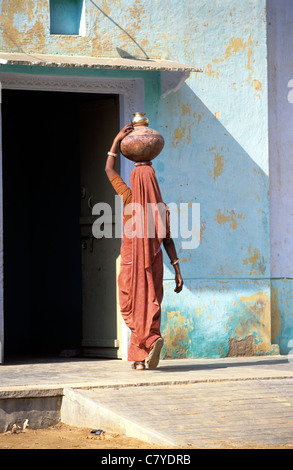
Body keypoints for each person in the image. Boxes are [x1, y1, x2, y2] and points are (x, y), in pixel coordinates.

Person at [105, 124, 183, 370]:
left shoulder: (128, 198)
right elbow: (168, 241)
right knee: (150, 302)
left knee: (131, 304)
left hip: (130, 263)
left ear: (134, 181)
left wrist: (117, 141)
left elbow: (108, 170)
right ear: (154, 183)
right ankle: (143, 353)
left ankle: (149, 343)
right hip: (154, 263)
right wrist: (178, 270)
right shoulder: (161, 209)